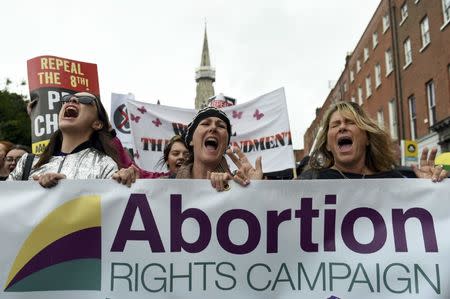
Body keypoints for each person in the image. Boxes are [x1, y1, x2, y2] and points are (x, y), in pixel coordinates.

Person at [300, 101, 448, 181]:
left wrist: (429, 189)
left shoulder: (394, 181)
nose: (342, 127)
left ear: (367, 139)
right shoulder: (311, 182)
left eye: (351, 122)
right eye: (335, 124)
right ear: (328, 145)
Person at [8, 92, 120, 187]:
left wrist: (65, 189)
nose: (72, 99)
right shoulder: (27, 162)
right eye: (67, 99)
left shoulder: (105, 165)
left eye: (86, 100)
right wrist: (35, 190)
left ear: (97, 124)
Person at [176, 106, 263, 191]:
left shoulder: (238, 185)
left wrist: (253, 189)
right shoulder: (165, 186)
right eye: (205, 124)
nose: (213, 128)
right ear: (191, 140)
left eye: (221, 126)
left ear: (225, 145)